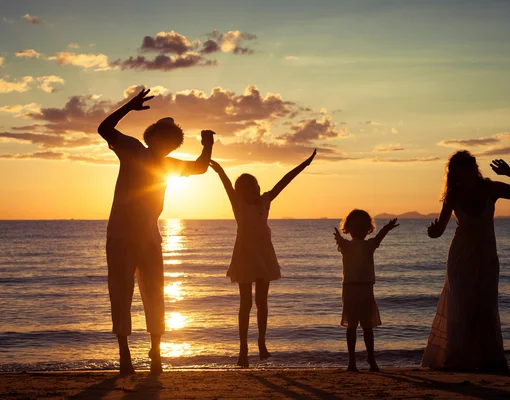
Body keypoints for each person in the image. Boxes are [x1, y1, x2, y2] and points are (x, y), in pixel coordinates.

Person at [98, 88, 215, 375]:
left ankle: (156, 355)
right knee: (121, 293)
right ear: (152, 137)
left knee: (154, 294)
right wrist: (129, 105)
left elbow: (201, 168)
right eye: (163, 136)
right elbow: (104, 128)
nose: (167, 142)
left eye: (172, 139)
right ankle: (125, 356)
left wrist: (208, 144)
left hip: (149, 237)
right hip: (120, 236)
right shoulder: (132, 148)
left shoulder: (169, 164)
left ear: (173, 144)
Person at [421, 151, 510, 371]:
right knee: (462, 306)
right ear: (454, 172)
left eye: (467, 165)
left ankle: (488, 359)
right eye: (458, 168)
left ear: (474, 167)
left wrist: (509, 172)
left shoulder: (491, 188)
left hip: (485, 257)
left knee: (485, 305)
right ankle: (459, 359)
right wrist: (433, 232)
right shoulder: (453, 196)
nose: (463, 171)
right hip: (460, 258)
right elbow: (439, 230)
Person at [209, 149, 317, 368]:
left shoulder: (264, 201)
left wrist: (303, 165)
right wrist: (219, 168)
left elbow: (283, 182)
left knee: (262, 303)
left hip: (264, 256)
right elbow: (226, 184)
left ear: (257, 189)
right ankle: (243, 350)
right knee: (245, 304)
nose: (251, 192)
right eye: (245, 189)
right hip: (244, 257)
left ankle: (261, 342)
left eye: (253, 188)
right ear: (240, 193)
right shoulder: (238, 205)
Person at [333, 210, 398, 372]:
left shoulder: (369, 245)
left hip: (365, 289)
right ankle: (352, 361)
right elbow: (341, 243)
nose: (359, 229)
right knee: (352, 326)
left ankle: (370, 359)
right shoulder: (346, 246)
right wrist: (339, 239)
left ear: (367, 228)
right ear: (349, 228)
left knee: (366, 326)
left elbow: (379, 237)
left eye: (362, 226)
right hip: (350, 290)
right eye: (356, 226)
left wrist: (386, 229)